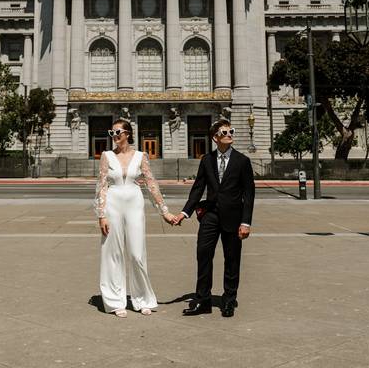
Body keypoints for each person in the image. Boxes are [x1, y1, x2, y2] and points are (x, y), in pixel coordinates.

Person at [95, 119, 178, 317]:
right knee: (112, 253)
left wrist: (164, 211)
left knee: (136, 253)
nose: (115, 136)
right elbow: (102, 186)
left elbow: (151, 184)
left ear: (128, 134)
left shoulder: (141, 156)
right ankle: (116, 302)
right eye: (112, 133)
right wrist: (101, 215)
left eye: (118, 132)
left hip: (134, 203)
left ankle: (142, 299)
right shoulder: (106, 156)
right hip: (113, 204)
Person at [173, 119, 255, 318]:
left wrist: (246, 222)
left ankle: (229, 300)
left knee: (232, 259)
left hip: (234, 218)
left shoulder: (242, 161)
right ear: (215, 138)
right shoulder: (206, 160)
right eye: (224, 132)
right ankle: (203, 300)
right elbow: (198, 188)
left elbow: (249, 194)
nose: (229, 134)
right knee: (203, 254)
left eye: (231, 131)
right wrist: (184, 213)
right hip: (210, 215)